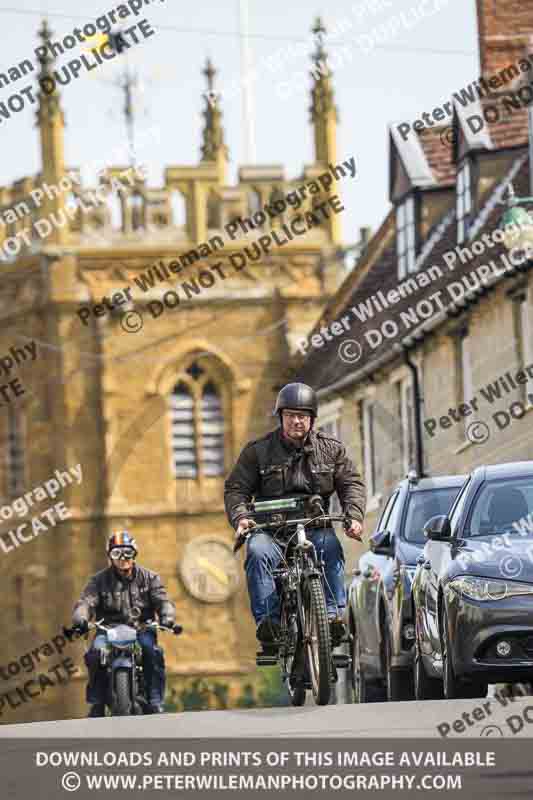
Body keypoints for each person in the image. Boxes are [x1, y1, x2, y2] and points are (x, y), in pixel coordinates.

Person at [224, 382, 366, 647]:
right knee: (257, 553)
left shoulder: (331, 449)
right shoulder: (257, 452)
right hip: (271, 530)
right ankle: (270, 624)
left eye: (302, 416)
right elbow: (236, 489)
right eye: (290, 415)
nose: (296, 421)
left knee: (331, 547)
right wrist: (241, 517)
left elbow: (351, 484)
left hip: (314, 526)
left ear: (312, 419)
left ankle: (334, 617)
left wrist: (354, 516)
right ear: (281, 417)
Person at [72, 531, 176, 717]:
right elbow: (86, 602)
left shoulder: (150, 578)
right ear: (110, 556)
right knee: (95, 654)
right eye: (117, 553)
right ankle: (97, 702)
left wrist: (167, 616)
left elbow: (162, 600)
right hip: (108, 630)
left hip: (141, 628)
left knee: (152, 651)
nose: (123, 558)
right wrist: (81, 618)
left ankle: (155, 700)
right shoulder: (98, 581)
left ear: (134, 554)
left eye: (127, 553)